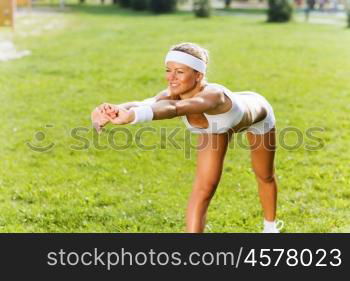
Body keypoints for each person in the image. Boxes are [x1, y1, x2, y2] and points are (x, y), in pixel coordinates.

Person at [91, 42, 283, 233]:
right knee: (203, 190)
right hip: (215, 130)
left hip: (258, 116)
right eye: (168, 70)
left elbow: (176, 109)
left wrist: (132, 117)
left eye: (180, 72)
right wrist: (111, 111)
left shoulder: (213, 96)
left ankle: (270, 228)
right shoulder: (172, 94)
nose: (171, 78)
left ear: (198, 75)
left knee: (264, 174)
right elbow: (145, 103)